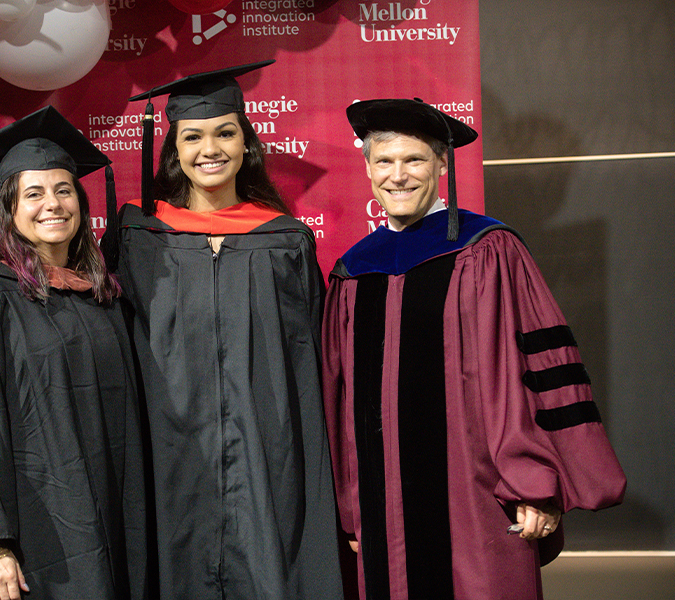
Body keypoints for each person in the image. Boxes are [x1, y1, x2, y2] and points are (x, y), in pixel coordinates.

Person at [321, 98, 627, 600]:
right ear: (368, 169)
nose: (398, 175)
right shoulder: (354, 271)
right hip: (383, 506)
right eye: (384, 161)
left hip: (478, 493)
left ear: (443, 163)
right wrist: (353, 504)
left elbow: (532, 370)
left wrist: (533, 483)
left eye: (414, 160)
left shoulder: (488, 250)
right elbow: (341, 402)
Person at [117, 61, 344, 599]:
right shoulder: (140, 238)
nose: (209, 148)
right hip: (169, 447)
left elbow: (312, 359)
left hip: (267, 449)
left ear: (246, 144)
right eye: (192, 136)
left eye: (225, 132)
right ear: (174, 149)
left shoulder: (284, 240)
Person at [0, 106, 146, 600]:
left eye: (64, 190)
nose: (53, 204)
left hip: (110, 519)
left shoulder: (103, 296)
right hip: (35, 534)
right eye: (34, 193)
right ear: (10, 208)